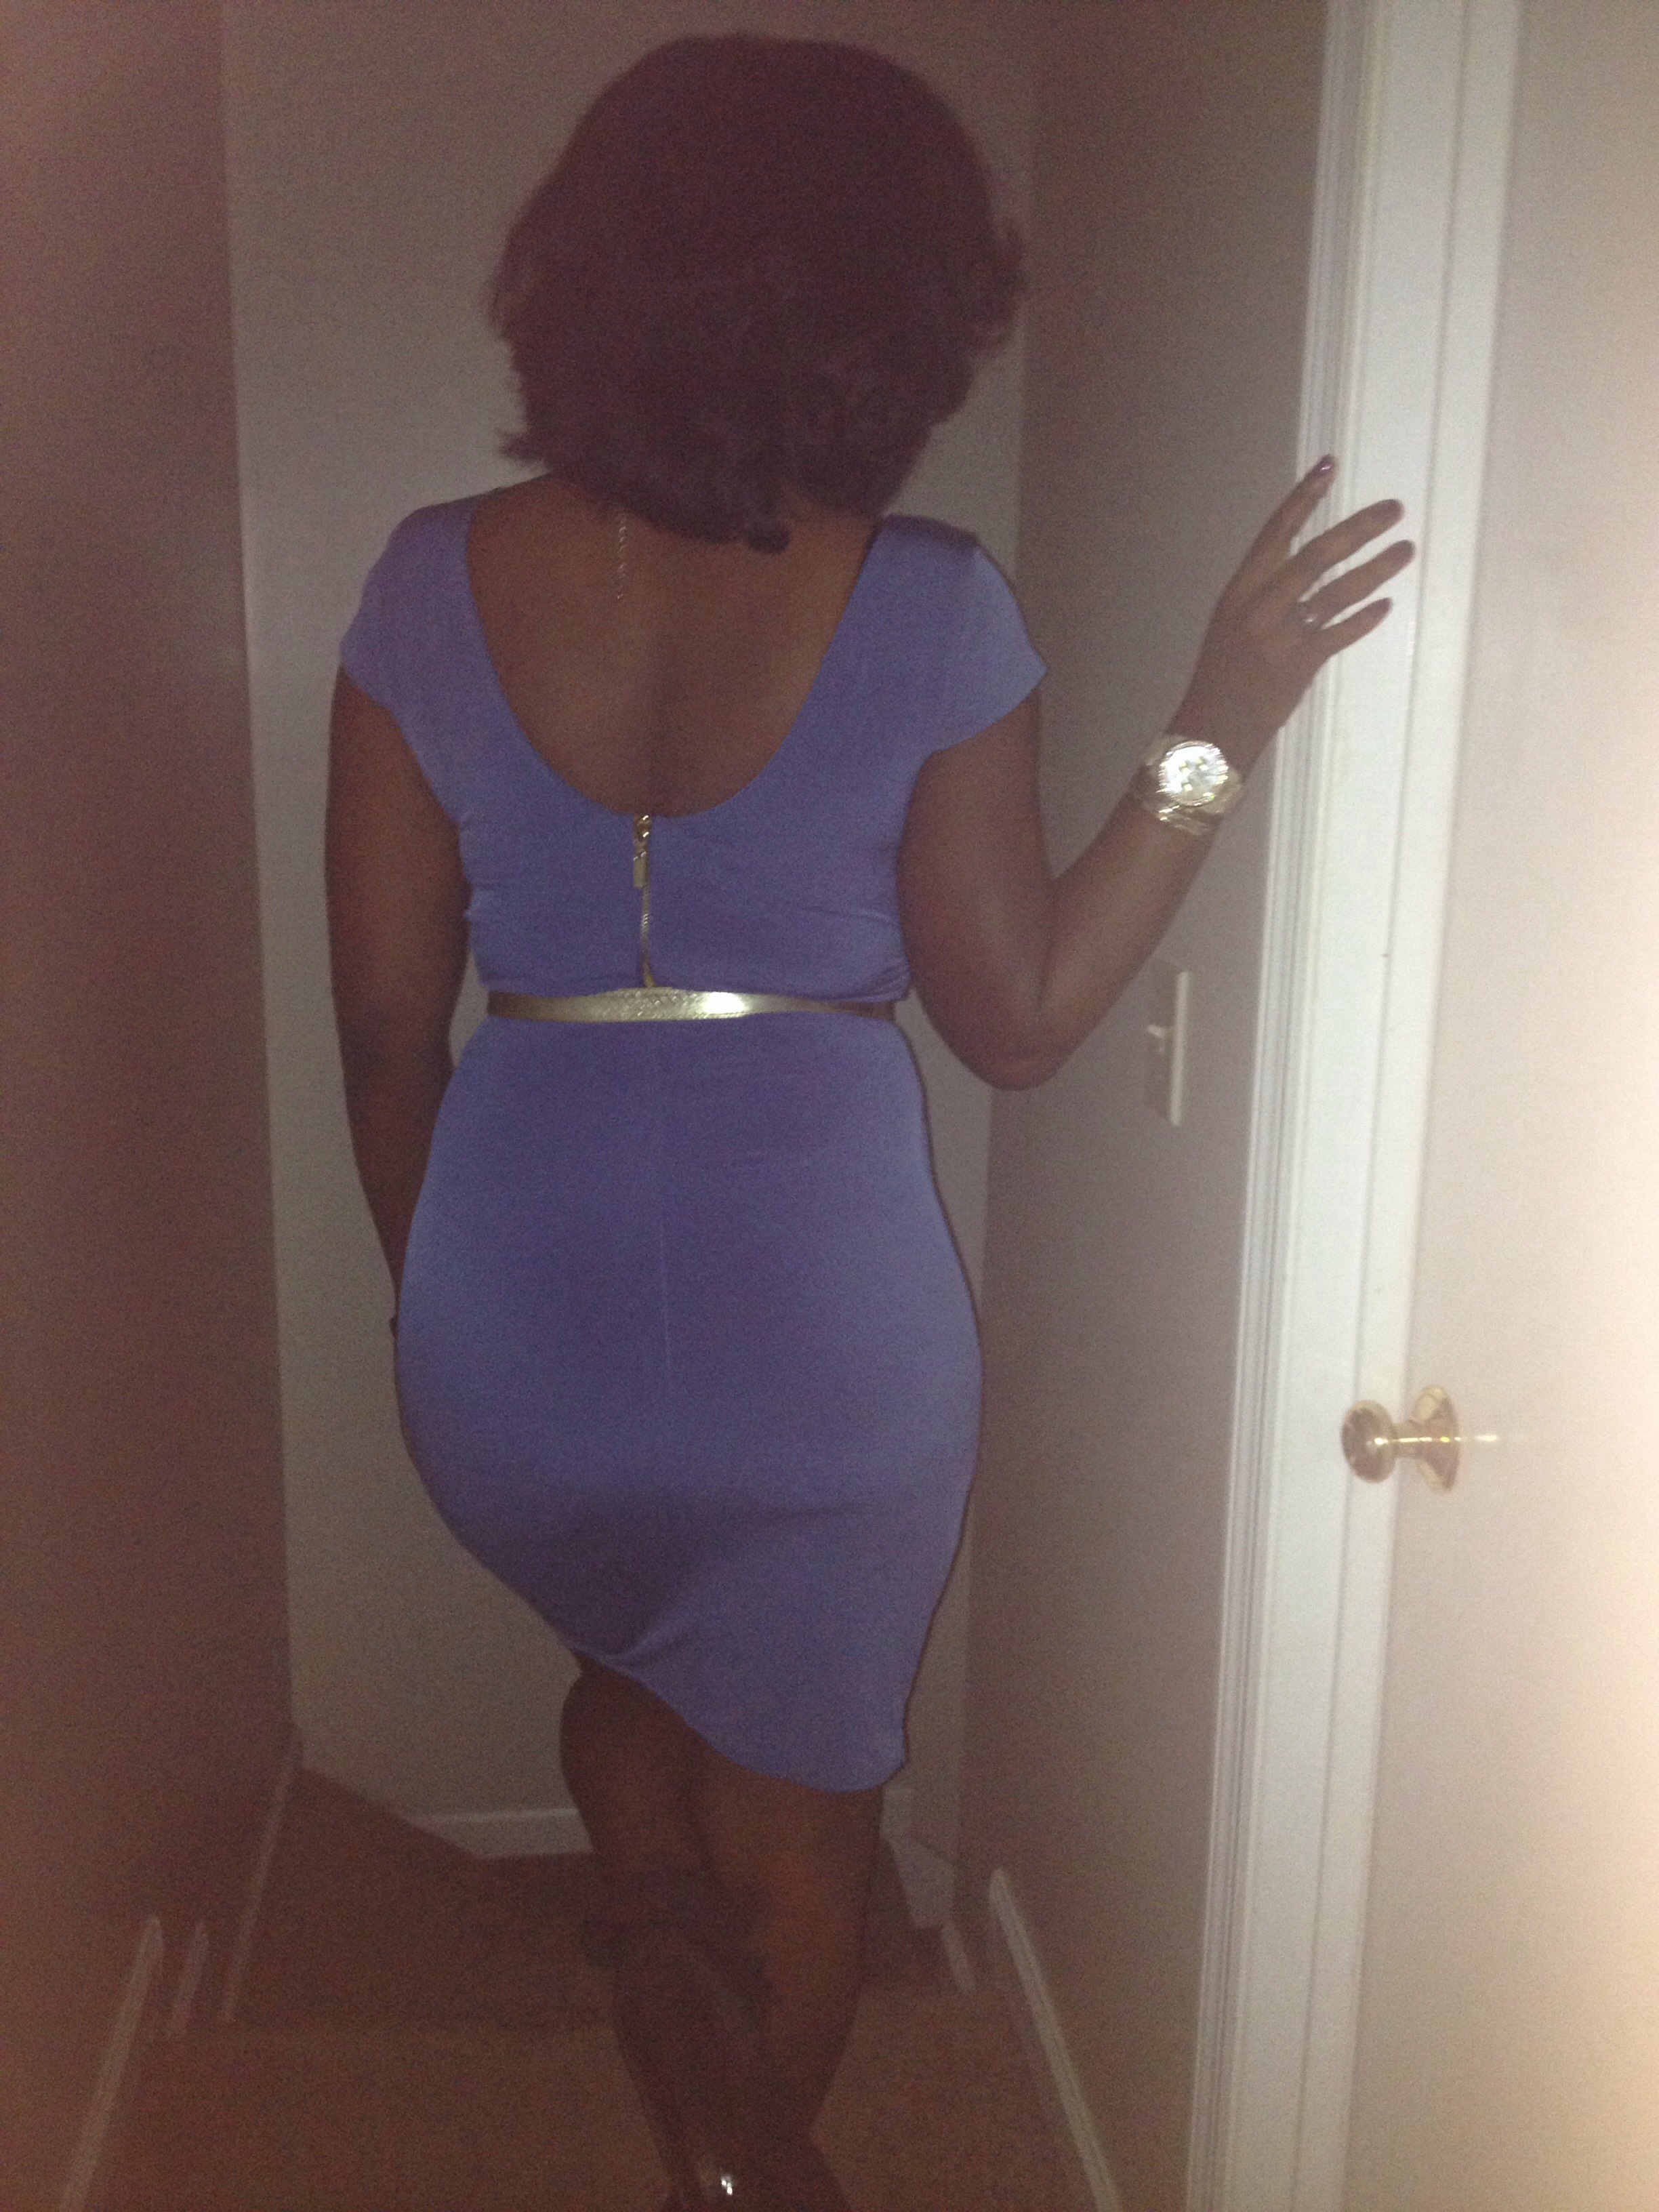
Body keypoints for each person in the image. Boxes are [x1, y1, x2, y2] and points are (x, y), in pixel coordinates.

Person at [325, 33, 1412, 2212]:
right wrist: (1222, 719)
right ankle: (737, 2161)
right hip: (820, 1358)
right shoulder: (930, 602)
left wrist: (446, 1314)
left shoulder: (423, 579)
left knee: (626, 1658)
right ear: (881, 317)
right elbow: (1021, 1020)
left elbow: (379, 1035)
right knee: (807, 1842)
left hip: (504, 1326)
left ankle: (654, 1936)